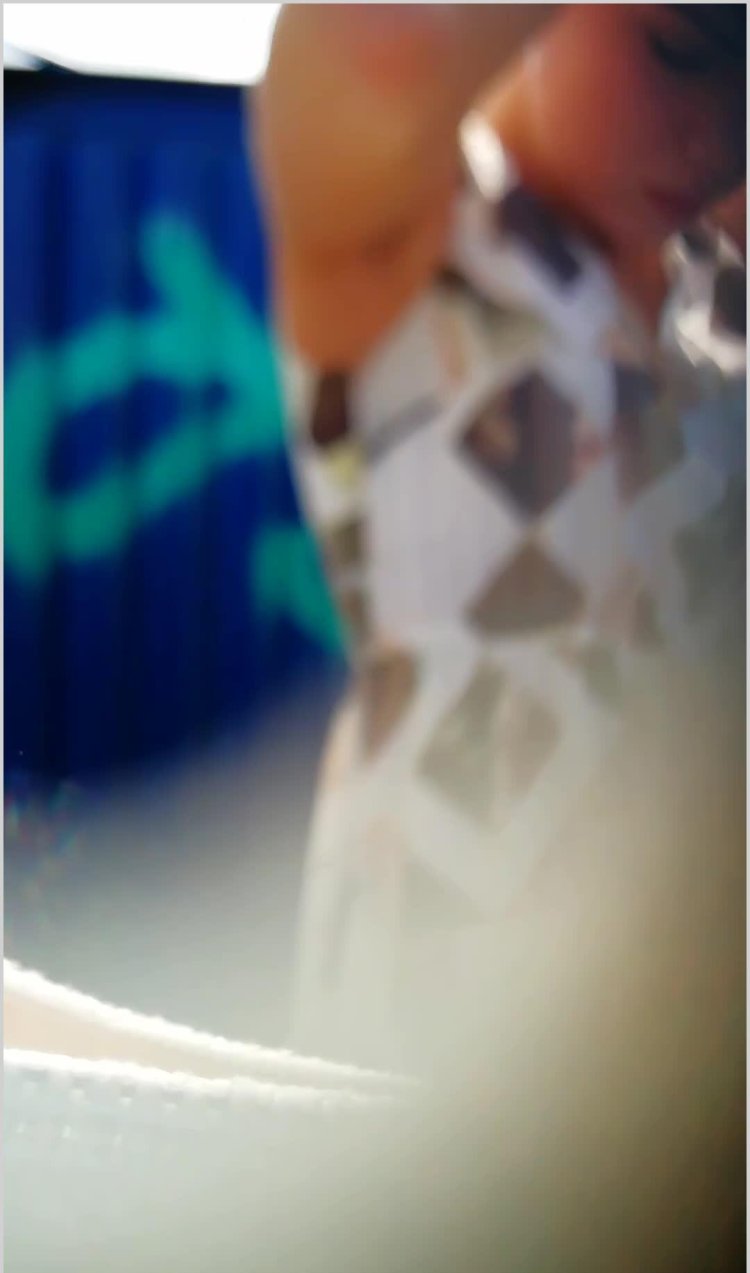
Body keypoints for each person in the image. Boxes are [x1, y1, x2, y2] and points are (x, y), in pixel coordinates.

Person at [257, 3, 746, 1072]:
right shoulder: (417, 239)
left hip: (680, 1067)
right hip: (422, 1031)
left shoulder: (722, 289)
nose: (719, 127)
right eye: (678, 51)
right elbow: (342, 57)